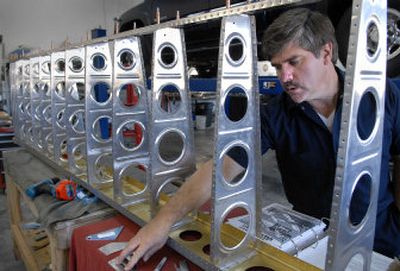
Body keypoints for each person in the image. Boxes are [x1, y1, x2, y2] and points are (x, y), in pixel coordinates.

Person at [118, 8, 400, 269]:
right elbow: (221, 168)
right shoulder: (276, 114)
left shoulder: (382, 96)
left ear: (326, 52)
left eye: (293, 61)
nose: (285, 76)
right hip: (309, 244)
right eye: (277, 66)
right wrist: (163, 222)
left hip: (381, 244)